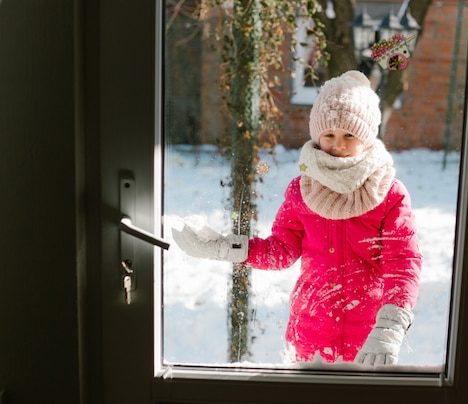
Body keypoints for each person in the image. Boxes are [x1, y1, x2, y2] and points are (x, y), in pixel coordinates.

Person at [172, 70, 422, 366]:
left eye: (349, 135)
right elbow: (281, 250)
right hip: (311, 333)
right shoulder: (302, 189)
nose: (337, 145)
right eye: (329, 134)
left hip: (369, 338)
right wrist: (225, 247)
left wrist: (389, 327)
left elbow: (403, 265)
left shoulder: (388, 193)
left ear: (366, 137)